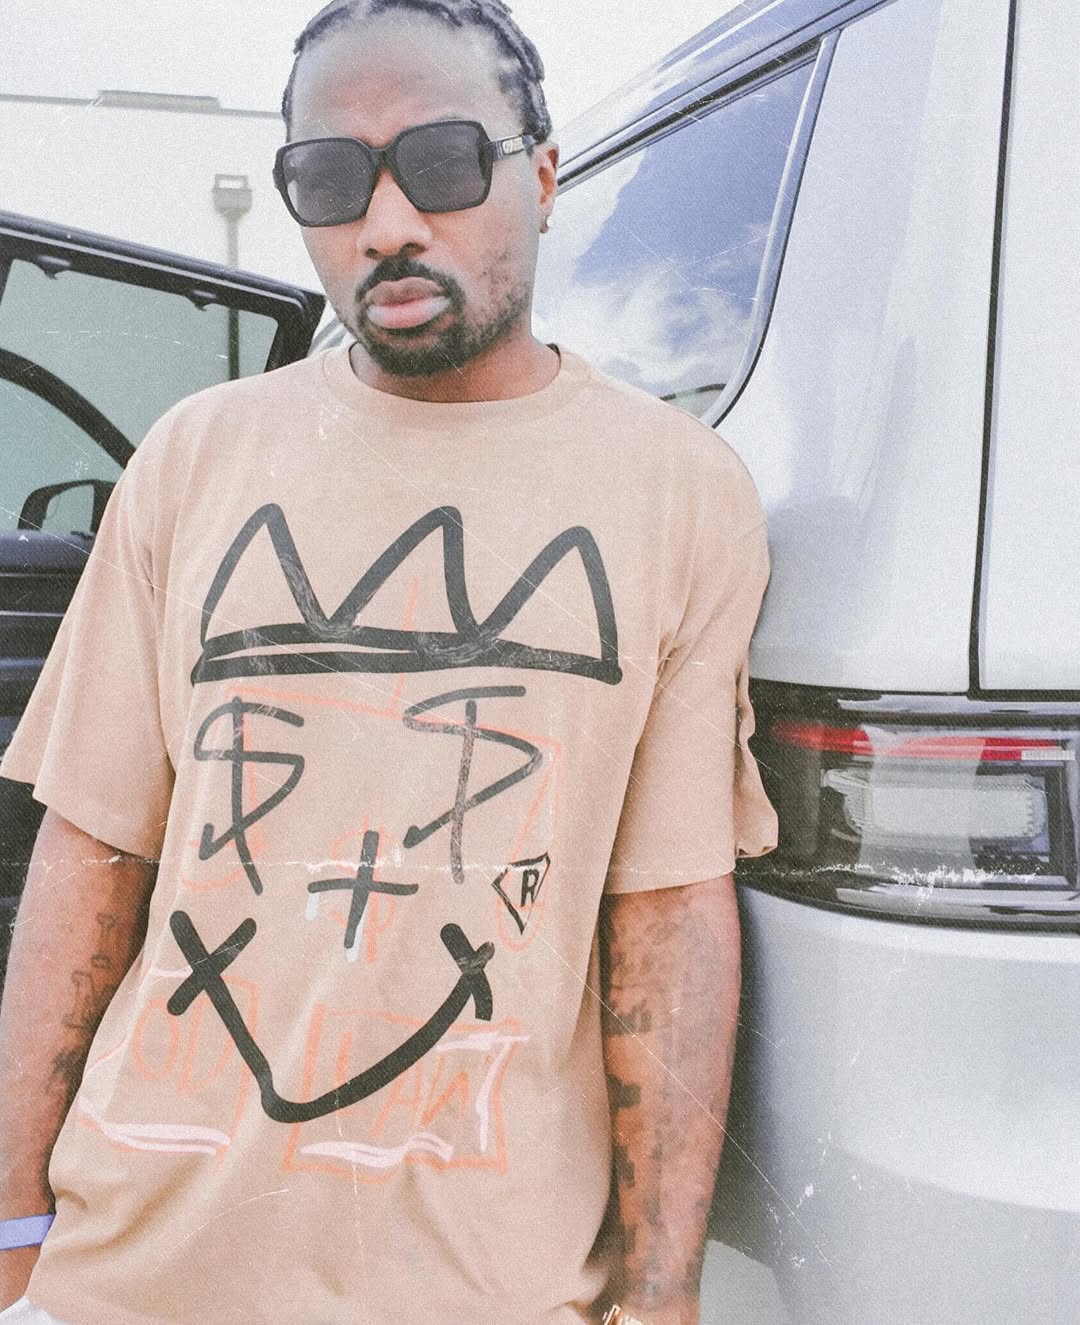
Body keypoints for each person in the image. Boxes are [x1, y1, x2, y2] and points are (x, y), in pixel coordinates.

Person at [0, 2, 777, 1321]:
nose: (388, 222)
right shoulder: (196, 456)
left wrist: (660, 1293)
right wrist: (18, 1222)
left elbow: (668, 914)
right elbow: (91, 857)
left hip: (488, 1285)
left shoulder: (680, 488)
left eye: (443, 162)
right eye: (331, 179)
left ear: (542, 175)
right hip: (136, 1270)